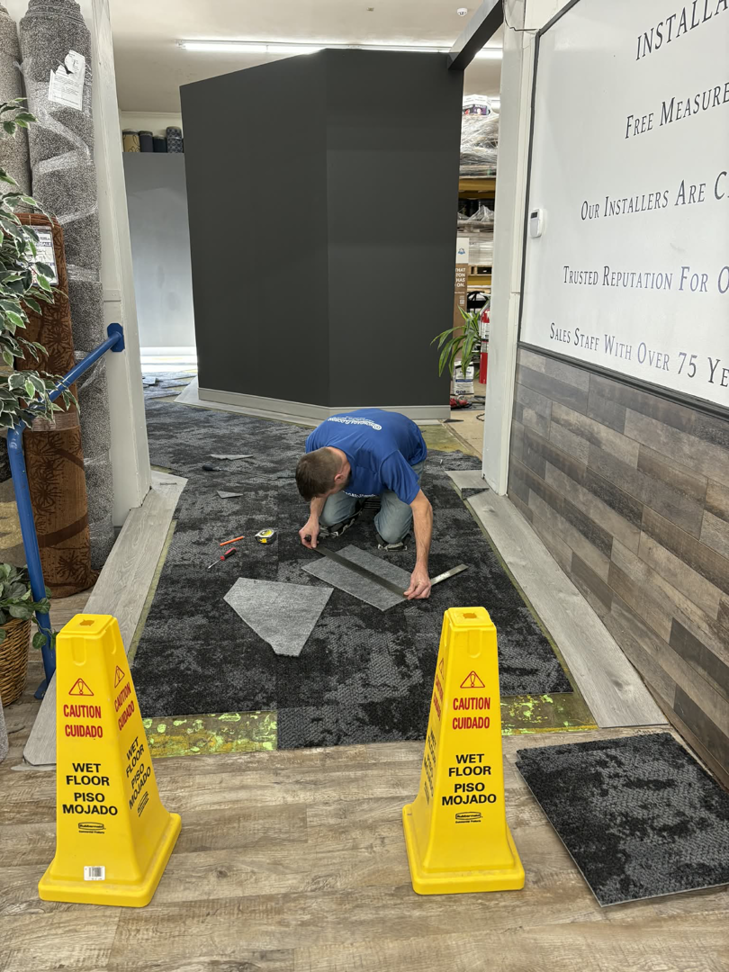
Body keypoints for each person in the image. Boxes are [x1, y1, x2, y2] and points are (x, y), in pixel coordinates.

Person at [296, 409, 433, 600]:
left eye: (329, 491)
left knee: (391, 535)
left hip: (403, 455)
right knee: (328, 519)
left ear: (339, 477)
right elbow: (319, 482)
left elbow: (423, 507)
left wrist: (421, 568)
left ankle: (389, 487)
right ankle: (365, 494)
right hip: (365, 455)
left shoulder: (386, 457)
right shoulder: (316, 442)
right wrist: (312, 518)